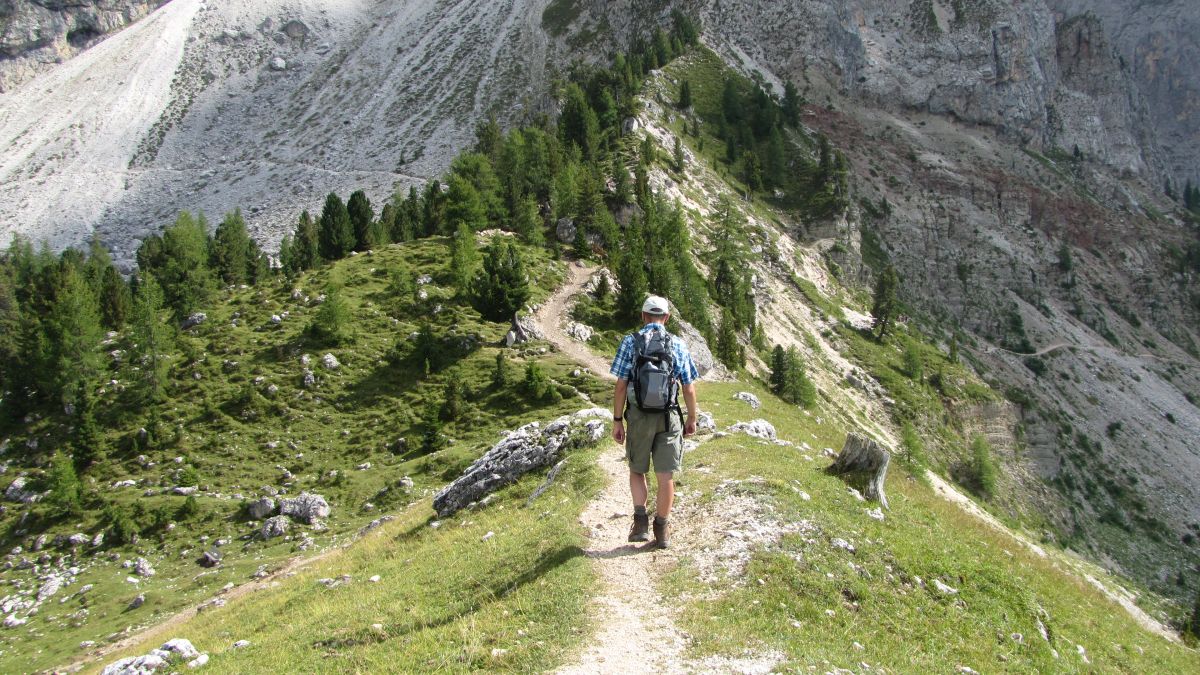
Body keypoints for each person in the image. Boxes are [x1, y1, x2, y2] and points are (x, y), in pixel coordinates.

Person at [610, 295, 699, 549]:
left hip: (638, 416)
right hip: (668, 415)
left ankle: (640, 523)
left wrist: (618, 420)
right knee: (665, 476)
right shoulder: (678, 344)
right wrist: (691, 418)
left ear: (643, 316)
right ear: (667, 318)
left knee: (638, 469)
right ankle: (662, 530)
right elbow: (689, 388)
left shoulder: (630, 342)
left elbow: (620, 386)